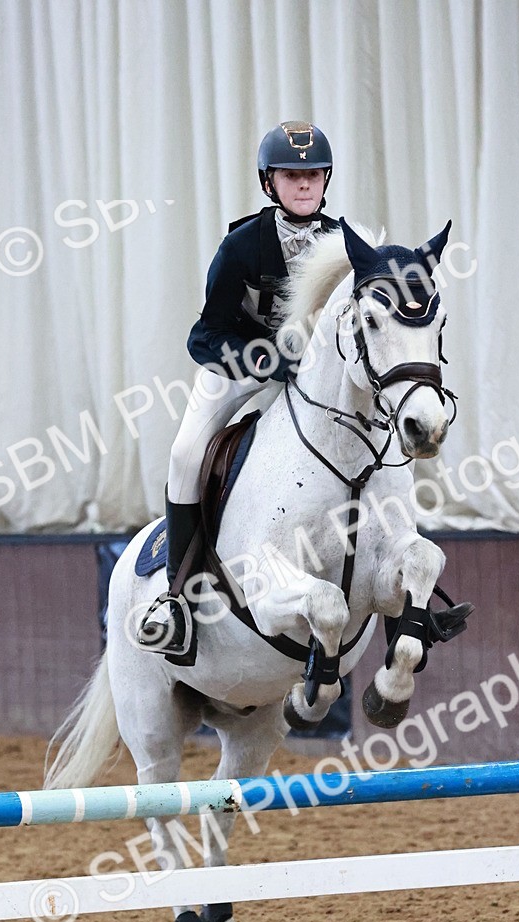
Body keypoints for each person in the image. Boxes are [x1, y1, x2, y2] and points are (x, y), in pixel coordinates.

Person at [138, 121, 340, 657]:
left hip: (313, 376)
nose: (304, 184)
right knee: (185, 454)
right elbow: (206, 333)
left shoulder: (344, 243)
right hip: (242, 365)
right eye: (291, 175)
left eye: (314, 174)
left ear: (326, 180)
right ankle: (177, 601)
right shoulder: (242, 245)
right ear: (269, 182)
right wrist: (265, 359)